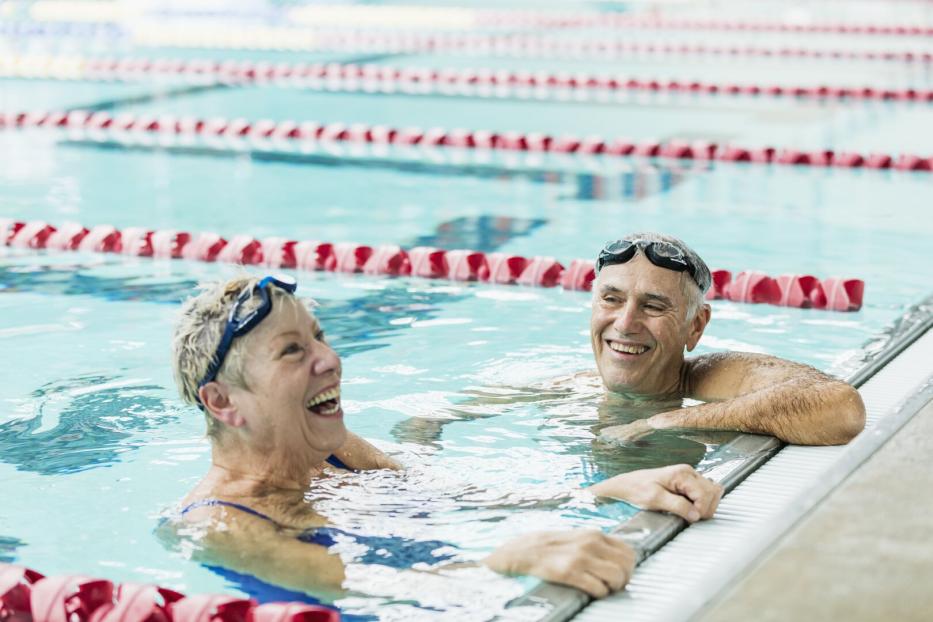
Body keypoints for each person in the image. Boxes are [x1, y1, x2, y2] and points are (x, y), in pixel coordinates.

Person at [163, 275, 722, 608]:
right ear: (222, 402)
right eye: (292, 351)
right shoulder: (217, 523)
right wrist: (501, 564)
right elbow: (371, 586)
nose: (330, 361)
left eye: (320, 337)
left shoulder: (330, 449)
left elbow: (457, 495)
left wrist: (613, 489)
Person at [590, 233, 865, 446]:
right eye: (611, 300)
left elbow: (842, 407)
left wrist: (660, 423)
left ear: (695, 326)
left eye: (654, 306)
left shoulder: (709, 379)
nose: (625, 324)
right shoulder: (571, 389)